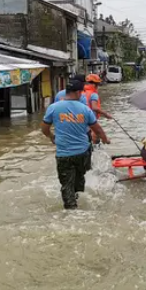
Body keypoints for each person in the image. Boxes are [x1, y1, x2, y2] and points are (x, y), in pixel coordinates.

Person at [41, 80, 110, 209]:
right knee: (80, 179)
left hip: (64, 154)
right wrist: (105, 139)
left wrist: (51, 137)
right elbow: (97, 130)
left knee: (67, 184)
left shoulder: (53, 107)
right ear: (78, 92)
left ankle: (71, 210)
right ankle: (79, 199)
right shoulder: (85, 109)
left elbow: (44, 128)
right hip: (82, 153)